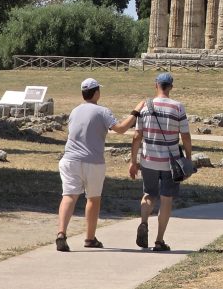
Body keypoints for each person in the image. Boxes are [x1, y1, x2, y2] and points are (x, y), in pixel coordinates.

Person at [57, 78, 145, 252]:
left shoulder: (75, 111)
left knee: (68, 196)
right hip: (93, 161)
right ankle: (89, 238)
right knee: (93, 198)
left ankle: (61, 233)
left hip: (69, 159)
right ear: (96, 92)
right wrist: (135, 112)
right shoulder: (102, 111)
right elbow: (120, 129)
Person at [129, 72, 191, 252]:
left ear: (156, 85)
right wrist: (188, 158)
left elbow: (136, 136)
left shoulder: (145, 107)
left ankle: (143, 222)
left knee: (148, 194)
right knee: (166, 199)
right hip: (170, 162)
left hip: (148, 159)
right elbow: (185, 136)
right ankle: (159, 240)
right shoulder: (178, 107)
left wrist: (133, 161)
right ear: (170, 87)